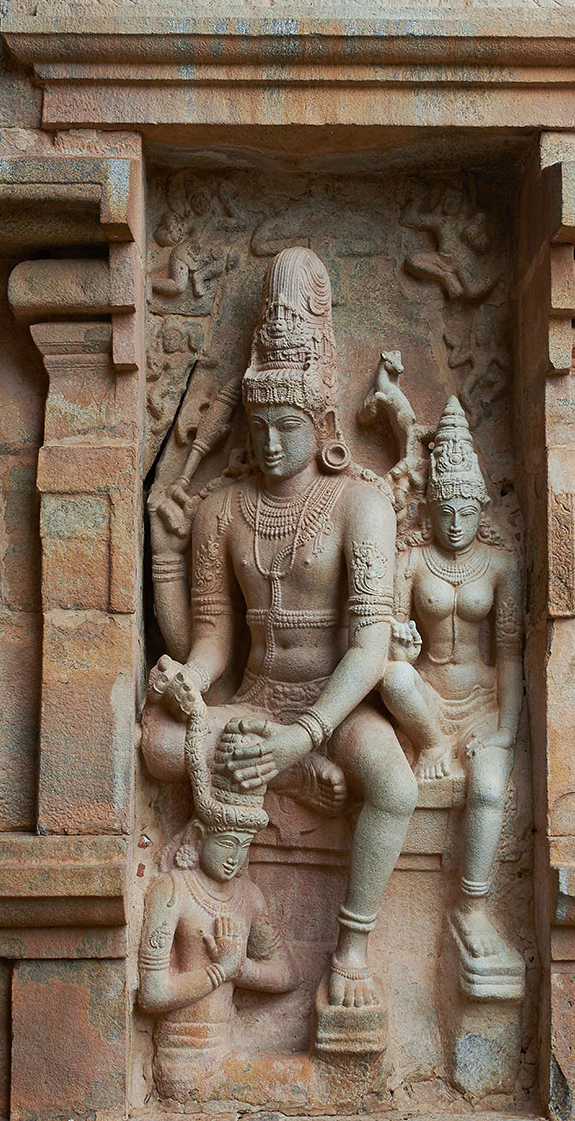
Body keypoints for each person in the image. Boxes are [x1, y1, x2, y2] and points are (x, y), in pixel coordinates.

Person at [144, 246, 418, 1012]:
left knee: (393, 783)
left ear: (320, 420)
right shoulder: (220, 510)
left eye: (287, 425)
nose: (268, 442)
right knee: (160, 740)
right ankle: (294, 777)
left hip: (334, 705)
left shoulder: (361, 504)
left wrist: (308, 735)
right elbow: (213, 643)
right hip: (258, 699)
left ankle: (353, 949)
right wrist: (189, 681)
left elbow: (369, 645)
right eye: (259, 425)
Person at [380, 397, 524, 991]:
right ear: (431, 507)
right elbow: (383, 641)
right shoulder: (410, 560)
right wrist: (401, 644)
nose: (457, 522)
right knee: (393, 677)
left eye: (467, 509)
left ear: (480, 507)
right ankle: (431, 744)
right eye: (446, 509)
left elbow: (511, 654)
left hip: (483, 704)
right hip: (426, 703)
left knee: (489, 789)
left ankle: (474, 905)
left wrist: (507, 729)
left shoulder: (500, 564)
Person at [138, 777, 297, 1093]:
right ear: (198, 835)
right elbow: (152, 994)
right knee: (302, 1082)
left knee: (301, 1076)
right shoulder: (173, 892)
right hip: (184, 1059)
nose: (234, 858)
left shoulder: (248, 896)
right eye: (226, 843)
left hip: (228, 1049)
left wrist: (240, 968)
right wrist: (220, 971)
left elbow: (287, 974)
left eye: (243, 846)